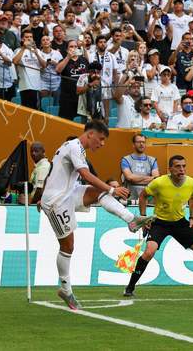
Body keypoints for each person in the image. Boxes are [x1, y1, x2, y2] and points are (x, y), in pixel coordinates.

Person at [40, 121, 155, 310]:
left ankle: (132, 220)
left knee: (98, 192)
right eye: (101, 139)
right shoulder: (74, 147)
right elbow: (85, 175)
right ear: (90, 134)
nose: (102, 144)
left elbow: (54, 175)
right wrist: (112, 189)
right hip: (56, 202)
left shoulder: (75, 148)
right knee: (68, 246)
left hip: (68, 194)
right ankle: (66, 290)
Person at [123, 155, 193, 298]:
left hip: (179, 223)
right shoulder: (159, 182)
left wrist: (192, 217)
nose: (181, 169)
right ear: (170, 169)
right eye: (177, 166)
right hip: (159, 222)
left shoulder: (192, 183)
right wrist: (144, 218)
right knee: (149, 252)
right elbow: (143, 196)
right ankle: (130, 287)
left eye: (184, 166)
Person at [120, 134, 159, 201]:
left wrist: (135, 179)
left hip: (148, 198)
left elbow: (156, 179)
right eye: (138, 142)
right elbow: (130, 178)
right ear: (133, 144)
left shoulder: (152, 160)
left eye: (143, 142)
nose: (141, 144)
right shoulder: (126, 159)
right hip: (130, 198)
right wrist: (149, 178)